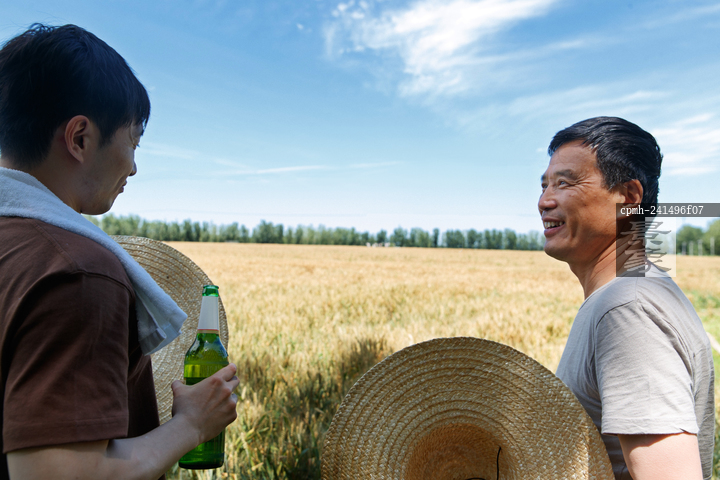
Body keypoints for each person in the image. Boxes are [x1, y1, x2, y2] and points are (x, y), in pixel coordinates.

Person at [0, 24, 238, 479]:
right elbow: (59, 475)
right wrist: (192, 425)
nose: (133, 166)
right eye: (133, 141)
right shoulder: (79, 273)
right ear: (80, 138)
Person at [539, 116, 714, 480]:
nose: (544, 201)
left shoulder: (629, 309)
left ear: (629, 198)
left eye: (565, 183)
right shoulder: (629, 294)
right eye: (544, 185)